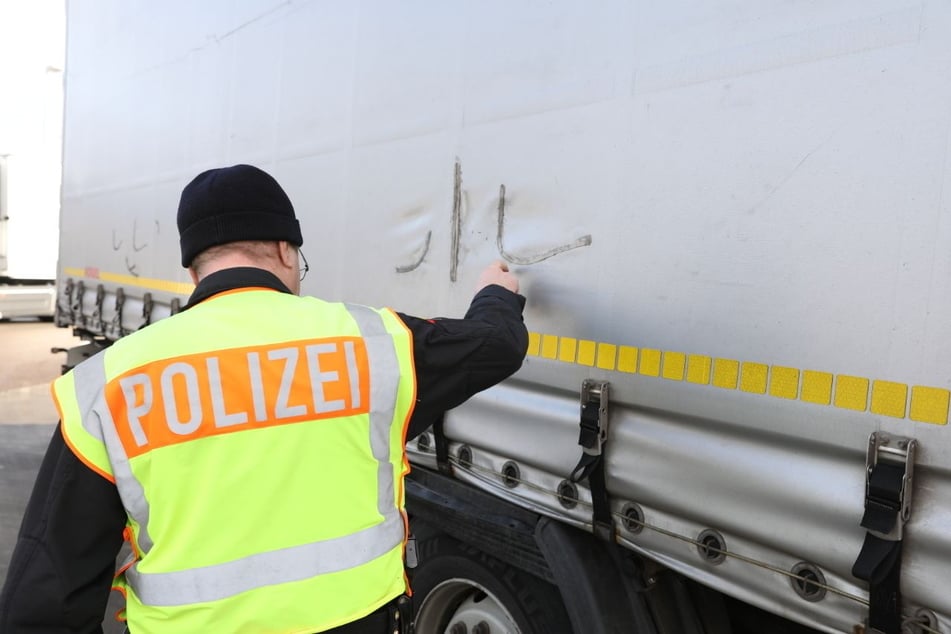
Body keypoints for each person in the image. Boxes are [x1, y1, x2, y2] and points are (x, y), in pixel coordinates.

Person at [0, 164, 528, 633]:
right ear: (285, 249)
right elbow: (495, 346)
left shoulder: (111, 382)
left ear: (194, 269)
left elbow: (46, 595)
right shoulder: (372, 344)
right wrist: (496, 294)